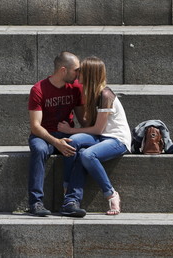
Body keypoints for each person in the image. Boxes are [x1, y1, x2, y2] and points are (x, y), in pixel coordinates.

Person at [57, 56, 131, 217]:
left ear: (89, 74)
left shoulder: (106, 95)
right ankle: (68, 190)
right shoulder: (91, 93)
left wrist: (69, 130)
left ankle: (111, 194)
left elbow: (97, 129)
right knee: (72, 142)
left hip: (116, 140)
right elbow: (89, 126)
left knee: (87, 154)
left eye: (81, 71)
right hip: (102, 137)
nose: (77, 74)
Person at [27, 51, 85, 216]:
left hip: (67, 134)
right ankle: (35, 202)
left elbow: (84, 119)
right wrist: (55, 142)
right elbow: (35, 126)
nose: (79, 74)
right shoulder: (39, 89)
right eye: (76, 70)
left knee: (77, 147)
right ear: (63, 70)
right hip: (43, 136)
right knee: (39, 150)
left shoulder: (76, 88)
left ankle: (71, 201)